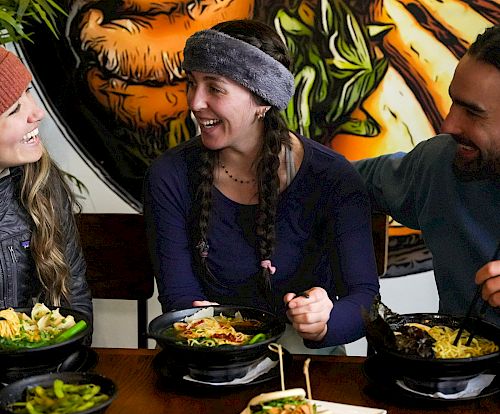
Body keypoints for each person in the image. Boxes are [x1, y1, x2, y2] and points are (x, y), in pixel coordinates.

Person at [144, 19, 379, 353]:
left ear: (263, 100)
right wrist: (221, 342)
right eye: (192, 84)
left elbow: (365, 299)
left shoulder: (333, 178)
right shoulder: (169, 176)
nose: (195, 103)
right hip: (205, 352)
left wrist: (324, 320)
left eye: (215, 88)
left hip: (304, 363)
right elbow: (178, 299)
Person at [355, 25, 500, 327]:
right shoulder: (440, 163)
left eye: (473, 113)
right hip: (453, 370)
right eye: (453, 102)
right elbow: (339, 178)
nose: (448, 125)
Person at [0, 47, 92, 322]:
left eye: (28, 91)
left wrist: (67, 361)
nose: (37, 113)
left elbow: (74, 298)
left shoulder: (42, 180)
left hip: (43, 365)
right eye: (15, 109)